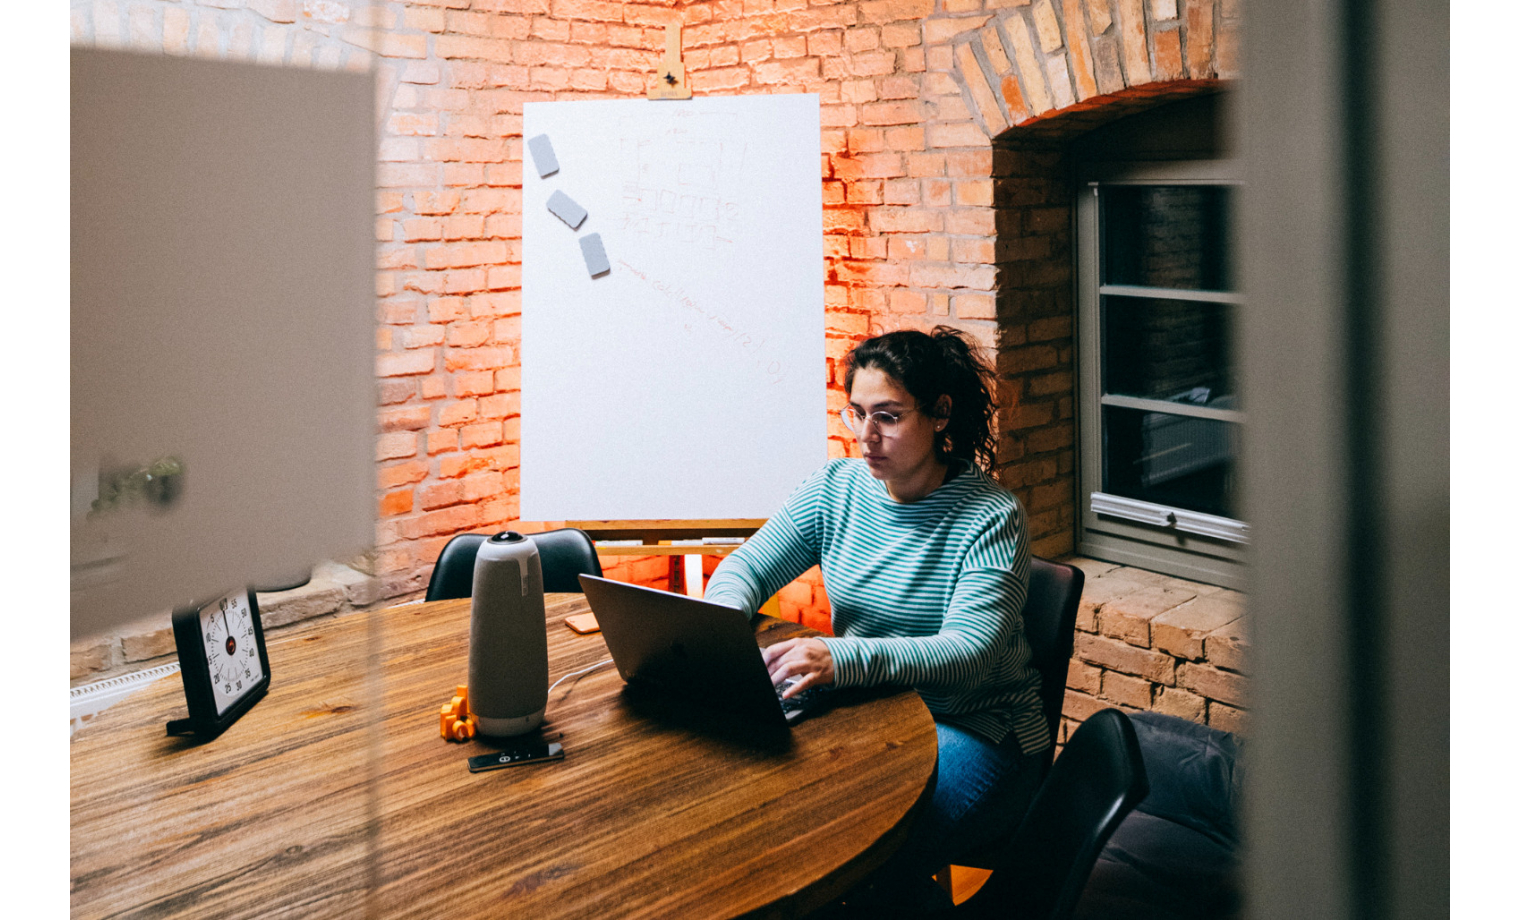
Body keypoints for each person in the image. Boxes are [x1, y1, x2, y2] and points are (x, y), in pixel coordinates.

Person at [703, 326, 1050, 910]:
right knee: (754, 801)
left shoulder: (992, 516)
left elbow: (970, 652)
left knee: (848, 849)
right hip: (872, 711)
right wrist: (714, 626)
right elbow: (746, 567)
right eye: (857, 413)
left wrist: (841, 658)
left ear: (940, 414)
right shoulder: (837, 488)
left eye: (887, 416)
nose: (865, 436)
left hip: (979, 731)